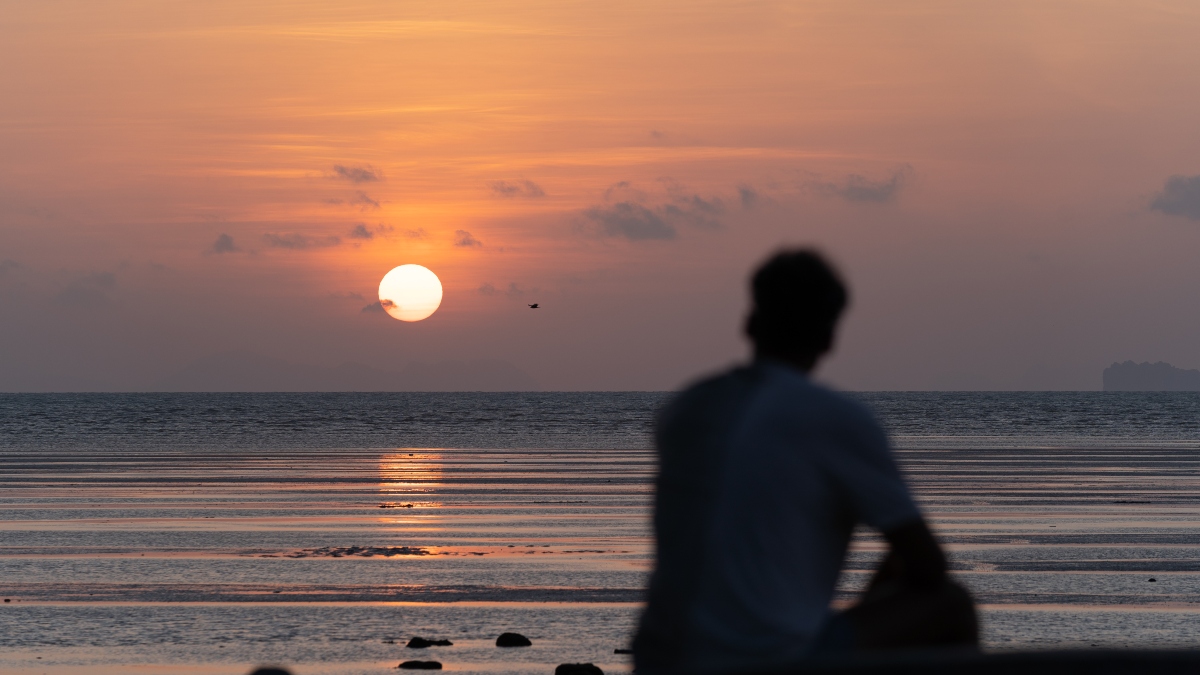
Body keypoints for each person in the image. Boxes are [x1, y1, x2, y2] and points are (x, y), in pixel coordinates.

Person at [632, 249, 977, 674]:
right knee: (950, 604)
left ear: (751, 324)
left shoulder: (686, 406)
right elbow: (927, 565)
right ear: (829, 336)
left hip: (659, 661)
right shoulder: (832, 416)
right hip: (762, 662)